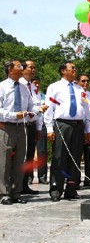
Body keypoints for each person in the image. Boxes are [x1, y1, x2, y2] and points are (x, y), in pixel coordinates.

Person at [0, 60, 47, 205]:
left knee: (20, 160)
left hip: (22, 127)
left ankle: (16, 192)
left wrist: (39, 109)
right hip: (6, 126)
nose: (22, 69)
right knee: (4, 161)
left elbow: (31, 106)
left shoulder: (24, 88)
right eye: (19, 66)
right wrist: (15, 115)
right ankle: (4, 193)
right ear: (10, 69)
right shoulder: (2, 87)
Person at [44, 62, 90, 202]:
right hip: (62, 124)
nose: (75, 71)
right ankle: (56, 188)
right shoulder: (55, 87)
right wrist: (48, 128)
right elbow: (49, 108)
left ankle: (71, 189)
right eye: (72, 68)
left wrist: (88, 128)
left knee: (75, 157)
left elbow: (86, 109)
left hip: (78, 125)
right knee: (60, 157)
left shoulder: (79, 89)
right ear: (63, 71)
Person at [19, 60, 43, 194]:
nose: (33, 70)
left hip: (32, 125)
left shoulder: (33, 87)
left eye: (34, 67)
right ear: (23, 69)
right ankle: (15, 184)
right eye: (30, 67)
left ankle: (24, 184)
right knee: (20, 156)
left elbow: (38, 109)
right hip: (21, 124)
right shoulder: (19, 85)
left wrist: (39, 127)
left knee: (29, 156)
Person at [32, 76, 49, 184]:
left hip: (42, 126)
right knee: (28, 152)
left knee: (42, 152)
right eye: (34, 83)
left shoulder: (44, 97)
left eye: (38, 83)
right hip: (30, 124)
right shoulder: (28, 95)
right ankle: (28, 177)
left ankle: (42, 176)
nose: (37, 85)